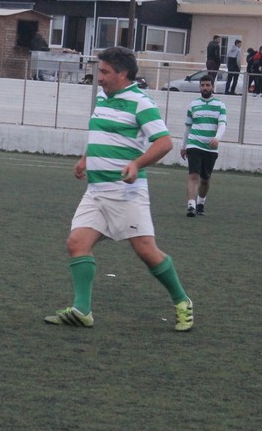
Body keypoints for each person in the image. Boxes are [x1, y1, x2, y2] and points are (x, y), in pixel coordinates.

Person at [44, 47, 193, 332]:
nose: (99, 77)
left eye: (105, 72)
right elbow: (103, 133)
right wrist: (86, 158)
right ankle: (82, 311)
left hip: (125, 192)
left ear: (123, 74)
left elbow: (164, 143)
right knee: (77, 243)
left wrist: (137, 164)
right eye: (99, 71)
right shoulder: (103, 98)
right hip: (96, 190)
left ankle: (182, 301)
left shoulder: (141, 103)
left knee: (146, 251)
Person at [180, 75, 227, 217]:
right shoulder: (193, 105)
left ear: (213, 87)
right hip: (194, 144)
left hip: (210, 147)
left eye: (207, 85)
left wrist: (217, 138)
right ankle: (191, 206)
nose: (205, 88)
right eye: (202, 85)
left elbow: (222, 124)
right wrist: (183, 146)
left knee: (205, 179)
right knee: (193, 175)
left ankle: (200, 203)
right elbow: (188, 127)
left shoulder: (220, 105)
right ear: (199, 87)